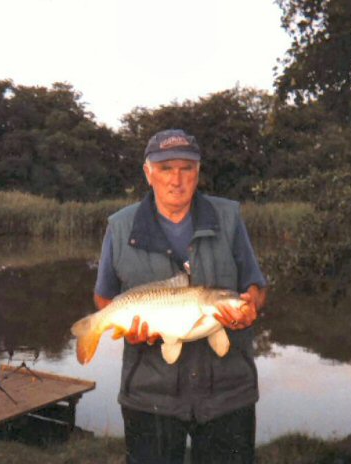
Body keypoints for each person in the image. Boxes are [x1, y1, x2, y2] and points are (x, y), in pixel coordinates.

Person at [93, 128, 267, 464]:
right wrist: (129, 330)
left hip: (228, 394)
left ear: (197, 172)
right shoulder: (119, 226)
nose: (176, 179)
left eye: (186, 168)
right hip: (150, 396)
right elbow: (104, 300)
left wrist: (251, 307)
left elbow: (255, 287)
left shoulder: (229, 217)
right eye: (165, 168)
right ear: (148, 173)